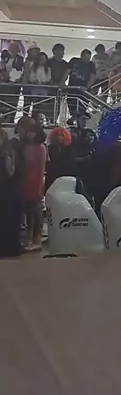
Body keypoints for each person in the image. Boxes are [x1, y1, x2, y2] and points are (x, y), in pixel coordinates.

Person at [17, 117, 47, 252]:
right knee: (30, 211)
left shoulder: (40, 148)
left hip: (35, 182)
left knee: (36, 211)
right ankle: (30, 238)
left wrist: (39, 187)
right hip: (26, 181)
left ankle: (36, 239)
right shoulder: (26, 146)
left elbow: (41, 170)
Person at [0, 126, 22, 257]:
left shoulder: (7, 153)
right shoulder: (9, 150)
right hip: (9, 190)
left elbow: (10, 171)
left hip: (7, 191)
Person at [67, 48, 96, 118]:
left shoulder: (91, 64)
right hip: (72, 89)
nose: (87, 60)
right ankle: (74, 118)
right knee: (72, 106)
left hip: (84, 91)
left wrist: (87, 87)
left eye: (89, 58)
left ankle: (75, 119)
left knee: (82, 108)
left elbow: (93, 77)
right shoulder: (74, 61)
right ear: (81, 56)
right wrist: (62, 82)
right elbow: (67, 71)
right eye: (86, 58)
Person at [28, 51, 53, 120]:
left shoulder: (48, 69)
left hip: (44, 88)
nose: (42, 60)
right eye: (41, 59)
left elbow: (48, 78)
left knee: (43, 105)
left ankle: (43, 119)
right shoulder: (34, 68)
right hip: (35, 89)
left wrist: (44, 82)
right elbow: (31, 77)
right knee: (35, 104)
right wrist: (34, 81)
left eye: (44, 59)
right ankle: (34, 119)